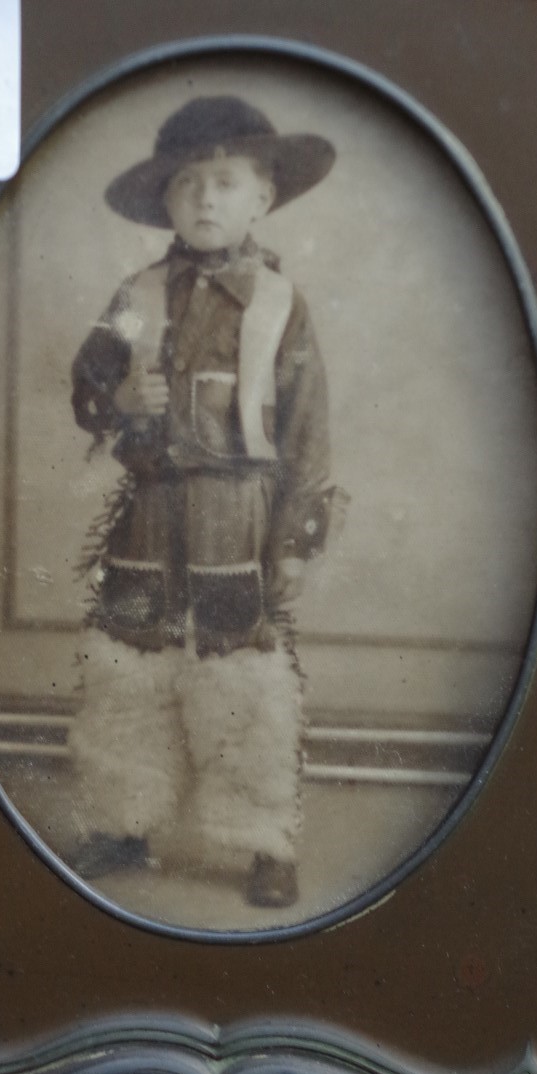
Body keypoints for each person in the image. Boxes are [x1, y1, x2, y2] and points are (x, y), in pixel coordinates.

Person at [66, 96, 336, 908]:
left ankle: (263, 840)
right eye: (188, 184)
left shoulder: (284, 306)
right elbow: (85, 384)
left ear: (263, 197)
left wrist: (293, 539)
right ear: (166, 204)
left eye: (225, 182)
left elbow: (309, 432)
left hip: (237, 518)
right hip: (146, 518)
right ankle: (123, 819)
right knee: (129, 668)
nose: (206, 200)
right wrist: (118, 391)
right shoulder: (136, 292)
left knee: (244, 679)